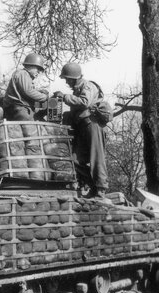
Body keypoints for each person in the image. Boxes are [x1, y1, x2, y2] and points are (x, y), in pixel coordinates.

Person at [53, 62, 109, 198]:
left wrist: (64, 97)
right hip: (83, 127)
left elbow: (85, 102)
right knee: (75, 160)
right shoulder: (77, 90)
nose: (66, 82)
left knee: (96, 158)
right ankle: (93, 186)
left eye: (67, 79)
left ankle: (101, 189)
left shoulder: (88, 85)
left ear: (74, 77)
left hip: (93, 124)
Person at [3, 53, 49, 121]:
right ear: (30, 66)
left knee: (51, 104)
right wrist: (45, 97)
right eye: (38, 69)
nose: (39, 72)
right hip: (19, 109)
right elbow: (28, 91)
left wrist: (39, 93)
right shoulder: (23, 73)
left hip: (21, 108)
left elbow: (26, 92)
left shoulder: (25, 76)